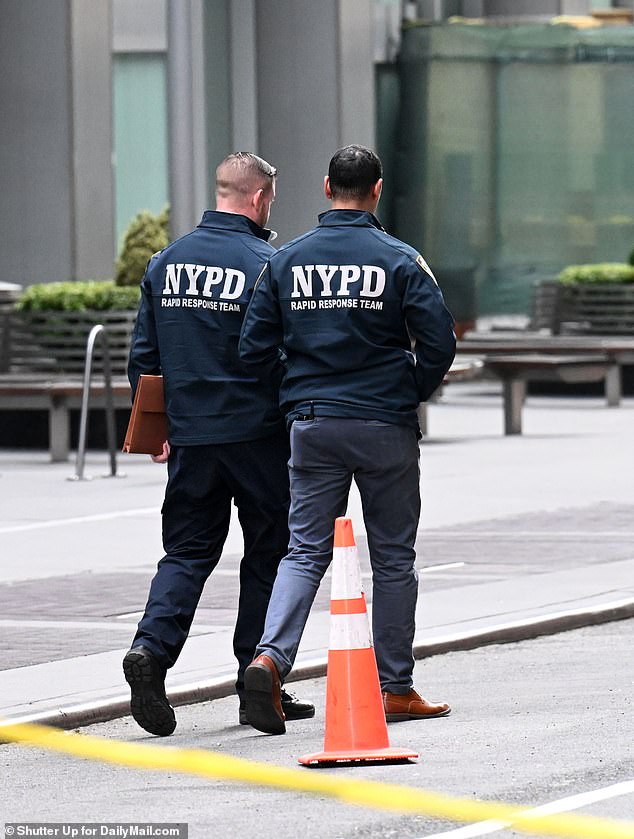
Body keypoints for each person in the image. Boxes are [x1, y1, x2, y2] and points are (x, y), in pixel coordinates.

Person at [238, 144, 456, 735]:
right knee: (392, 557)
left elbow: (253, 349)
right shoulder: (402, 260)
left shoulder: (286, 262)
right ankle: (395, 688)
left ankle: (268, 660)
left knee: (304, 550)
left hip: (313, 424)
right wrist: (406, 389)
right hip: (383, 424)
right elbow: (439, 343)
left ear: (326, 187)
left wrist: (298, 392)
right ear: (378, 190)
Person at [123, 152, 314, 736]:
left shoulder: (165, 263)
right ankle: (257, 680)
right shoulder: (269, 264)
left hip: (191, 439)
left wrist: (161, 428)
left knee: (185, 553)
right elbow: (282, 355)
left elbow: (144, 360)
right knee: (269, 554)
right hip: (257, 437)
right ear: (259, 199)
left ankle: (150, 654)